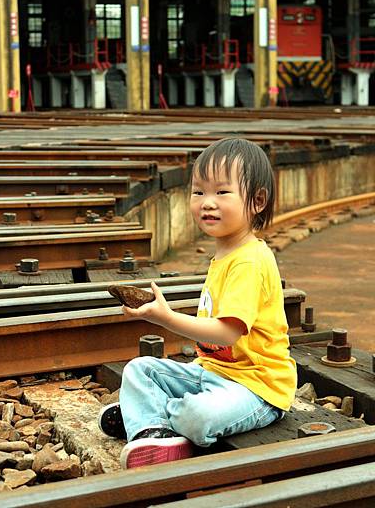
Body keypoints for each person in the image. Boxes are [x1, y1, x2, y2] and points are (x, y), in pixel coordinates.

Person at [98, 137, 297, 469]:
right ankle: (153, 430)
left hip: (258, 388)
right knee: (138, 368)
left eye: (221, 192)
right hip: (212, 373)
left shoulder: (249, 262)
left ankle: (149, 415)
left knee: (198, 416)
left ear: (257, 200)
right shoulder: (226, 251)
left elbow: (226, 334)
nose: (207, 202)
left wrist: (166, 318)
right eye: (198, 192)